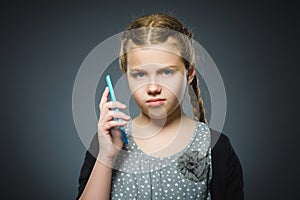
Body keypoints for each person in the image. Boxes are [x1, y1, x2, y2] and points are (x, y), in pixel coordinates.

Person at [76, 13, 244, 200]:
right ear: (127, 76)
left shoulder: (216, 147)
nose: (153, 87)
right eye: (140, 74)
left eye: (166, 72)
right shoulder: (107, 142)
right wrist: (106, 158)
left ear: (189, 74)